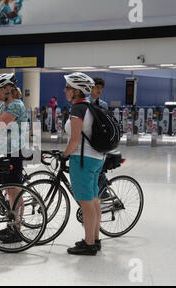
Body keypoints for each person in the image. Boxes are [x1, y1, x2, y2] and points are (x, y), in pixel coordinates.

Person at [62, 72, 105, 256]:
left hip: (82, 160)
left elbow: (74, 140)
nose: (65, 90)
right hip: (96, 158)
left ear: (77, 91)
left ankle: (88, 245)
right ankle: (94, 239)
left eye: (68, 87)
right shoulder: (90, 106)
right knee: (94, 200)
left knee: (86, 203)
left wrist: (64, 155)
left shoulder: (78, 109)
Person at [0, 73, 28, 243]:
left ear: (8, 89)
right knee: (8, 190)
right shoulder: (4, 104)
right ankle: (11, 223)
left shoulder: (15, 106)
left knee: (14, 191)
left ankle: (16, 229)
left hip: (12, 153)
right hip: (3, 152)